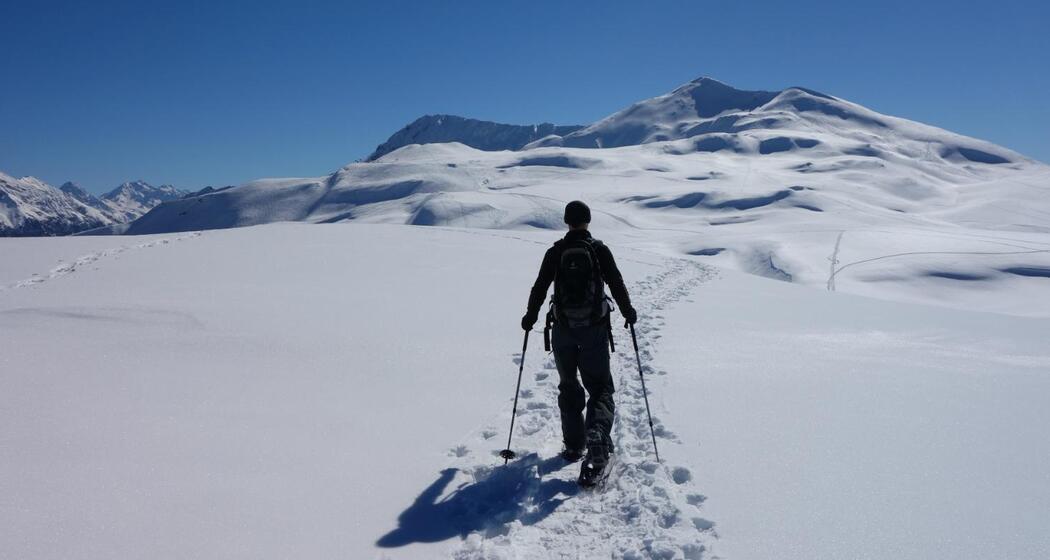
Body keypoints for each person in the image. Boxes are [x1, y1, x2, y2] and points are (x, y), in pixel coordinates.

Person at [521, 200, 637, 486]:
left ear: (566, 221)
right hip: (594, 330)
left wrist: (530, 316)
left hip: (563, 330)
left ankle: (574, 445)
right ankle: (597, 436)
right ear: (588, 220)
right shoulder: (599, 249)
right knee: (599, 386)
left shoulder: (556, 251)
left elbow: (540, 285)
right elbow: (616, 282)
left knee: (569, 385)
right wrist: (627, 311)